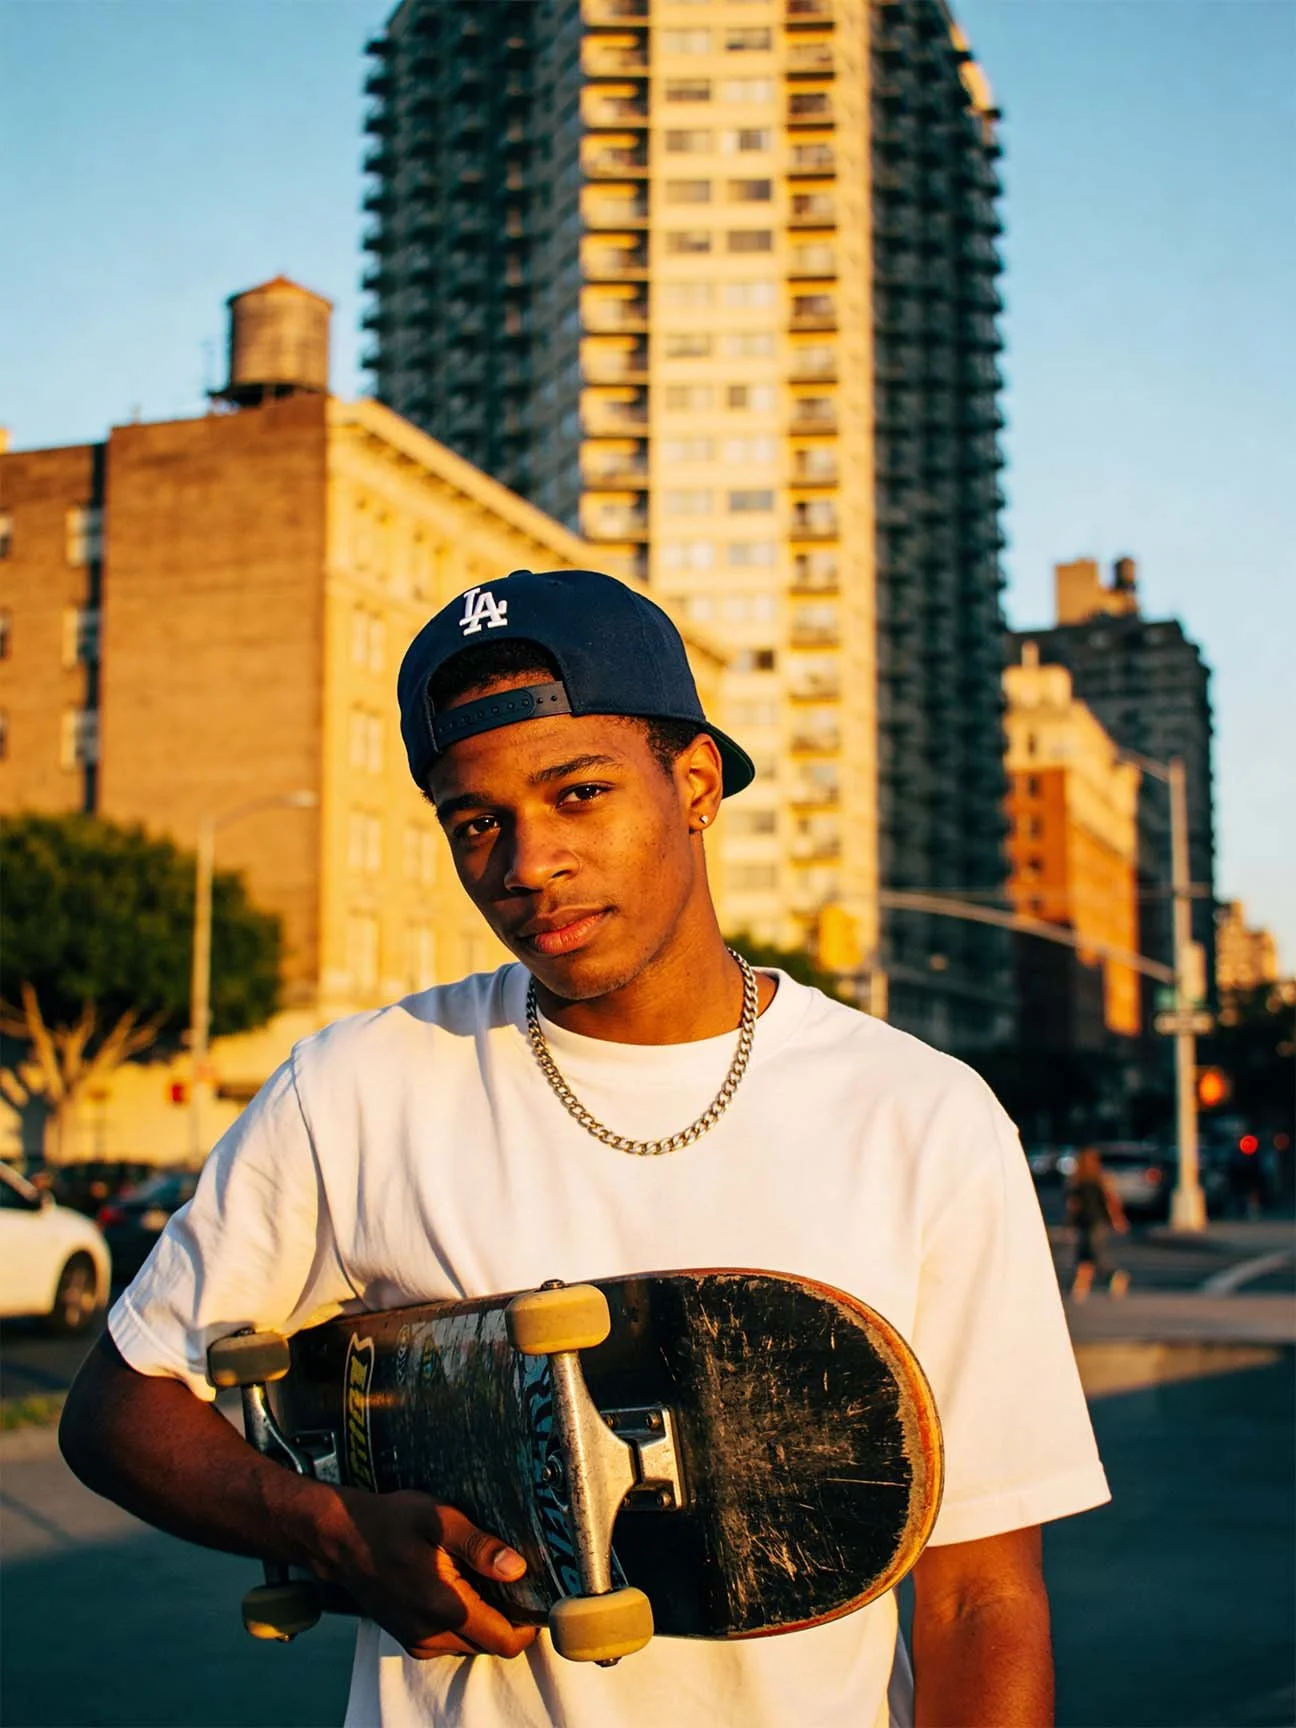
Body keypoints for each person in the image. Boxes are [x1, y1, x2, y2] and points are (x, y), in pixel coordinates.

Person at [60, 569, 1109, 1728]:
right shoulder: (360, 1085)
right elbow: (119, 1406)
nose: (527, 863)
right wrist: (330, 1532)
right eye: (478, 823)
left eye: (579, 793)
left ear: (696, 783)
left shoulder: (922, 1115)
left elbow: (980, 1598)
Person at [1066, 1147, 1130, 1301]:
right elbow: (1111, 1202)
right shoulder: (1090, 1180)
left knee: (1095, 1255)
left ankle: (1116, 1276)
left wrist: (1117, 1219)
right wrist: (1117, 1219)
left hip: (1094, 1222)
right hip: (1094, 1221)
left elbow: (1074, 1205)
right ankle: (1081, 1286)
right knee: (1084, 1255)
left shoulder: (1083, 1181)